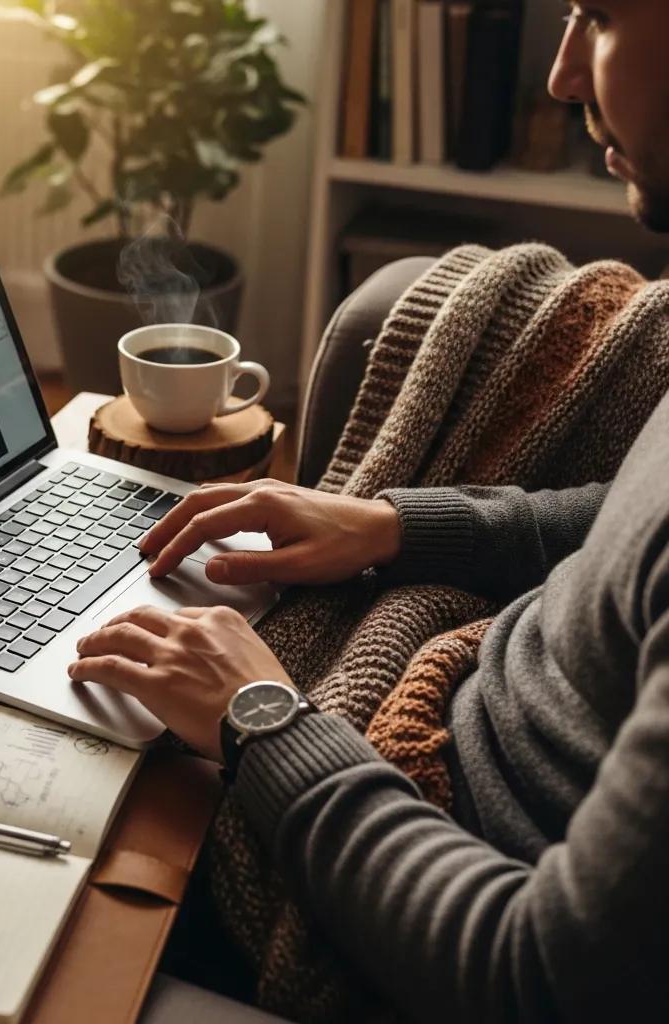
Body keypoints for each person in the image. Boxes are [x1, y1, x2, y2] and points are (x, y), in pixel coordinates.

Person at [68, 4, 669, 1021]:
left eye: (601, 15)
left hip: (384, 879)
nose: (563, 78)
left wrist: (262, 721)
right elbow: (632, 531)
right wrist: (395, 525)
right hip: (407, 712)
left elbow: (536, 977)